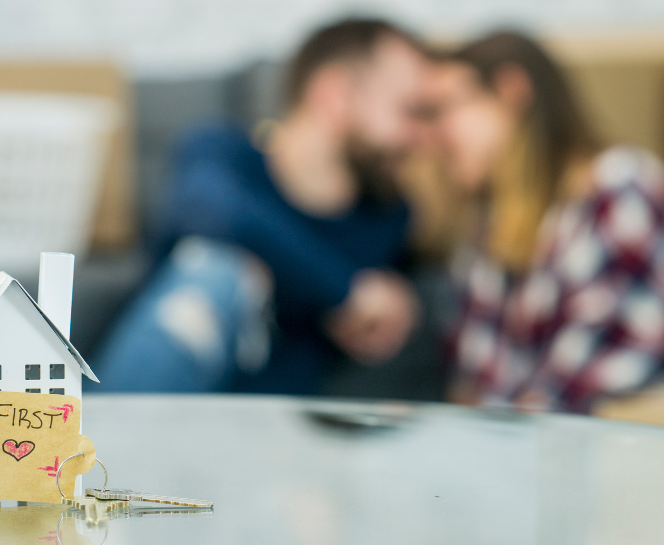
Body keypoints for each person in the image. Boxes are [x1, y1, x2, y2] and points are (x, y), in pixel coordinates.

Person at [88, 18, 433, 394]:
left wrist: (396, 307)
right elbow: (214, 210)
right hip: (160, 393)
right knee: (220, 270)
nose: (421, 135)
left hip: (272, 428)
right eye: (409, 110)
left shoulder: (387, 219)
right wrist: (346, 293)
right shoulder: (220, 154)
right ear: (334, 94)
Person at [431, 31, 664, 413]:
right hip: (513, 448)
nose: (433, 136)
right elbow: (476, 378)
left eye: (444, 109)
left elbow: (597, 374)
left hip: (606, 451)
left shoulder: (618, 186)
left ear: (510, 91)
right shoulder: (487, 223)